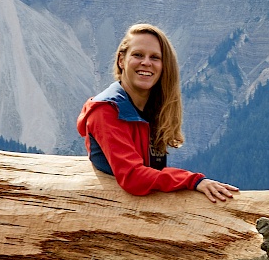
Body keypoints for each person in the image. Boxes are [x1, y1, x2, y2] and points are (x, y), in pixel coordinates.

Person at [77, 23, 239, 203]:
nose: (146, 62)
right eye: (138, 55)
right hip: (107, 210)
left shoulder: (153, 108)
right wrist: (193, 180)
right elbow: (133, 176)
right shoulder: (105, 110)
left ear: (163, 66)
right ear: (121, 60)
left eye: (155, 57)